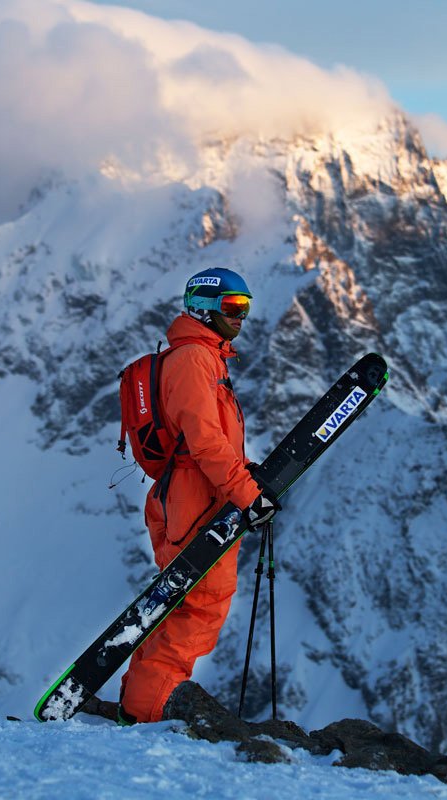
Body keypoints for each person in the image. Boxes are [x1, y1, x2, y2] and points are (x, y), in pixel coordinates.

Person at [117, 267, 279, 724]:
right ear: (205, 308)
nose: (242, 317)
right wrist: (248, 494)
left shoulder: (206, 357)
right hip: (194, 499)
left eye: (246, 307)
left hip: (194, 494)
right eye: (233, 307)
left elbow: (209, 442)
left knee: (179, 607)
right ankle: (147, 713)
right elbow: (205, 441)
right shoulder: (193, 360)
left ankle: (140, 702)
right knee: (199, 606)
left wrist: (243, 480)